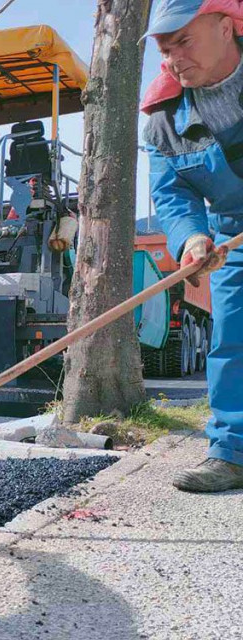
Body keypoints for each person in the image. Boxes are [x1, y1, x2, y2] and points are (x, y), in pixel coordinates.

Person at [142, 0, 243, 492]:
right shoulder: (162, 119)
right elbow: (173, 193)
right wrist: (192, 238)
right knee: (232, 334)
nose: (174, 57)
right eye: (165, 48)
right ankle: (231, 453)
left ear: (226, 27)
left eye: (184, 40)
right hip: (234, 229)